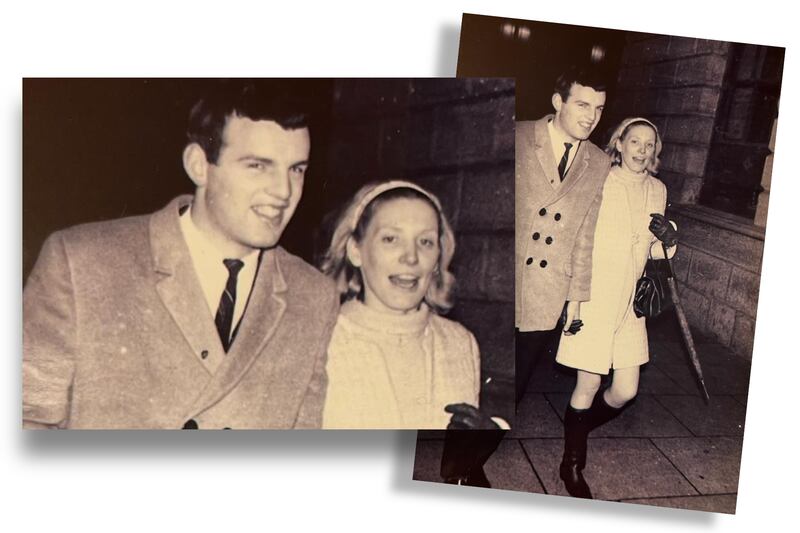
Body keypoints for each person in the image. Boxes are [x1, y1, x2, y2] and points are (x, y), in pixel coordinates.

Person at [22, 80, 338, 429]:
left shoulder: (313, 297)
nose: (283, 191)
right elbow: (25, 423)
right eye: (258, 166)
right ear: (199, 165)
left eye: (297, 169)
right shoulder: (82, 263)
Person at [440, 65, 612, 486]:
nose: (591, 116)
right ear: (558, 102)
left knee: (511, 391)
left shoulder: (599, 161)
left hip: (546, 293)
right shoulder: (517, 136)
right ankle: (455, 468)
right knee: (479, 380)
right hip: (499, 283)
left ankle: (471, 463)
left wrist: (577, 296)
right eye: (582, 104)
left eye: (600, 108)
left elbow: (585, 234)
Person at [555, 117, 678, 498]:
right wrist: (571, 300)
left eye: (648, 144)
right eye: (635, 142)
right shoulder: (601, 178)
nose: (641, 150)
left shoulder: (658, 189)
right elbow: (576, 235)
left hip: (632, 302)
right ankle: (572, 464)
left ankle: (579, 426)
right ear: (620, 144)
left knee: (625, 389)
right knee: (589, 381)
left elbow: (657, 251)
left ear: (654, 151)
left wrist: (669, 237)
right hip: (596, 295)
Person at [319, 180, 494, 429]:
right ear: (356, 250)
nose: (411, 257)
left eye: (425, 242)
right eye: (391, 239)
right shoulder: (321, 341)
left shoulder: (459, 342)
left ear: (437, 258)